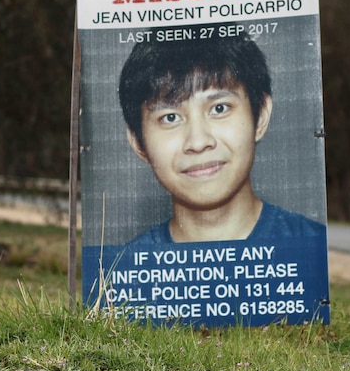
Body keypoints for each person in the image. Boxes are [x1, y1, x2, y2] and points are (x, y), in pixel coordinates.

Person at [118, 25, 325, 244]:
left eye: (219, 108)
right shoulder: (121, 272)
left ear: (261, 116)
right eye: (170, 118)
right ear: (138, 142)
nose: (198, 142)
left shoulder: (314, 251)